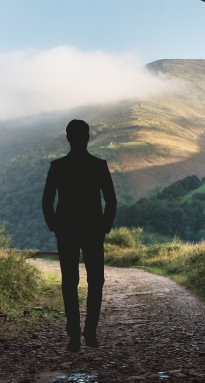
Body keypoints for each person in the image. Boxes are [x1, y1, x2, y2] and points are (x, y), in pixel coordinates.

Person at [42, 119, 117, 353]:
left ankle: (74, 335)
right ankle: (90, 333)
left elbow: (47, 201)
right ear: (88, 137)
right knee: (96, 282)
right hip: (93, 232)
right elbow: (111, 200)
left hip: (67, 232)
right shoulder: (99, 165)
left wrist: (55, 226)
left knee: (69, 283)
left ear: (68, 137)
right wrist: (104, 226)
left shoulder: (58, 166)